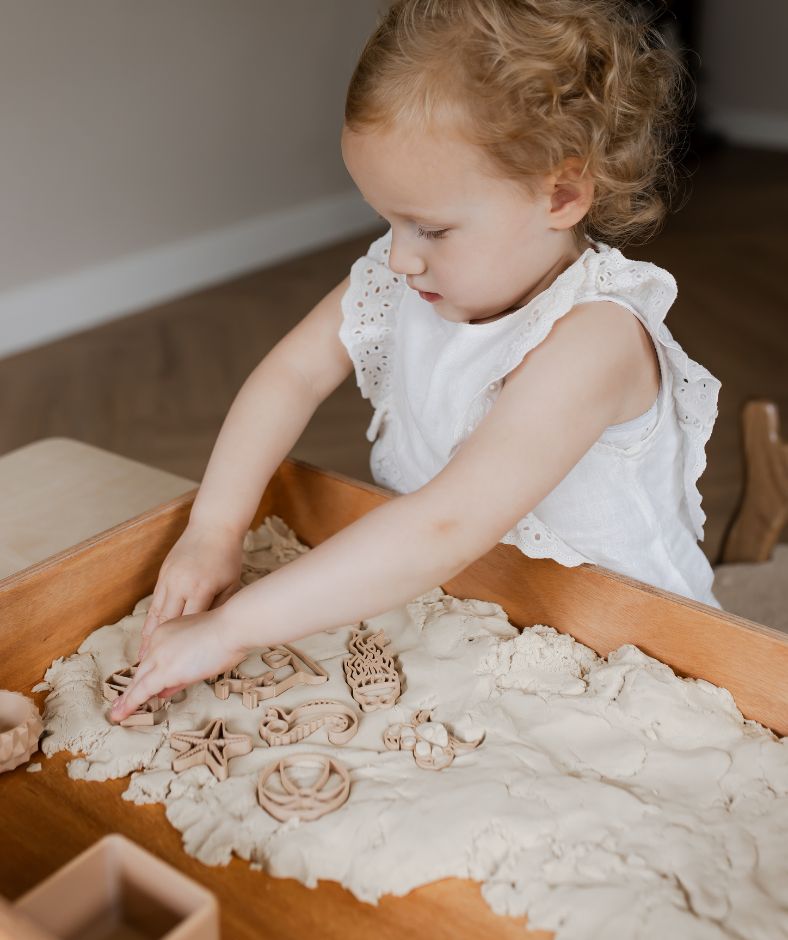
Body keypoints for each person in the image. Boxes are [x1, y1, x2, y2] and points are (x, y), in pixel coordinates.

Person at [111, 0, 720, 723]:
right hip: (480, 595)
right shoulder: (412, 274)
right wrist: (215, 528)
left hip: (636, 641)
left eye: (430, 227)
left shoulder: (596, 338)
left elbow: (446, 524)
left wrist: (230, 627)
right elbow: (293, 374)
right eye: (387, 219)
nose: (399, 256)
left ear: (562, 192)